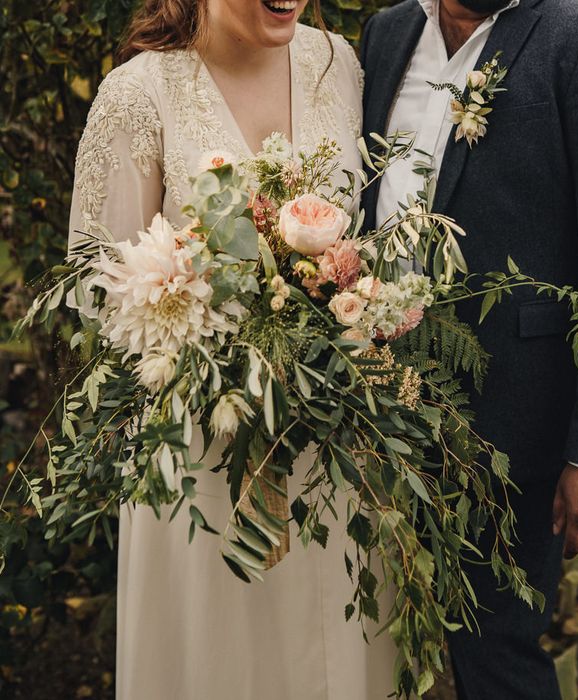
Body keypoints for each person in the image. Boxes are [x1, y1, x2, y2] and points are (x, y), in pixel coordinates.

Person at [68, 1, 396, 698]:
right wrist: (215, 328)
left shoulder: (336, 64)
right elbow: (98, 295)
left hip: (335, 450)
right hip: (203, 451)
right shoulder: (139, 94)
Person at [360, 0, 578, 698]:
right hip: (369, 409)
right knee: (374, 638)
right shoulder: (388, 32)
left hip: (510, 419)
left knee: (495, 652)